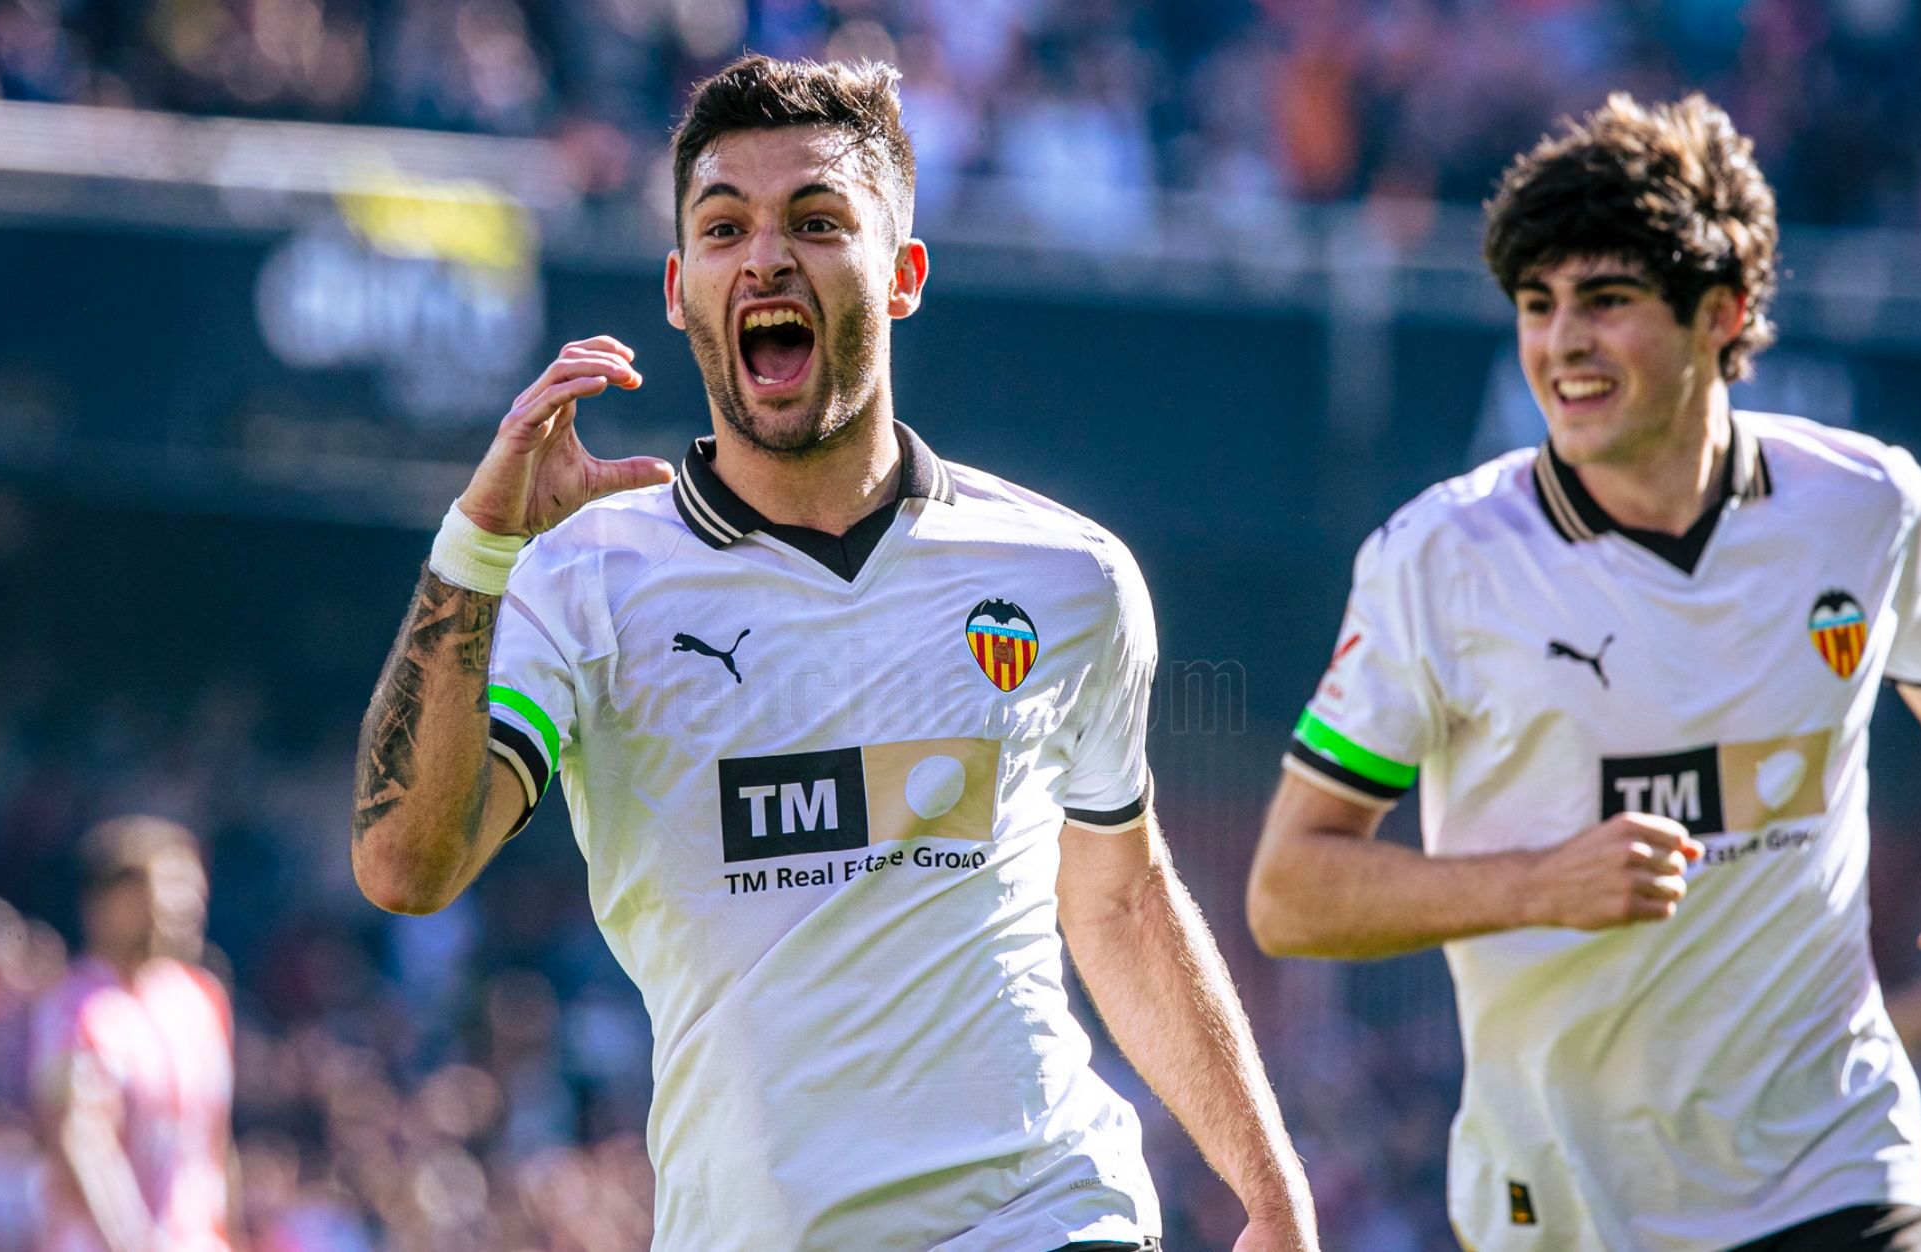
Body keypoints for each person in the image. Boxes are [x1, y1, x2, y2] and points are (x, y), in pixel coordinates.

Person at [349, 54, 1318, 1252]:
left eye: (816, 221)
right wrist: (478, 544)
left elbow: (1119, 897)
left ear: (901, 274)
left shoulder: (1069, 576)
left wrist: (1272, 1192)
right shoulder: (581, 578)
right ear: (679, 286)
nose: (766, 257)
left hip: (1049, 1216)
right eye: (724, 227)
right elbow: (406, 864)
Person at [1246, 93, 1921, 1252]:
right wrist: (1538, 884)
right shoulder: (1438, 559)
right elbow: (1287, 890)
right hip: (1559, 1204)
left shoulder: (1868, 506)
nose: (1563, 343)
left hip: (1833, 1171)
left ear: (1724, 312)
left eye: (1608, 300)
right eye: (1538, 305)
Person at [31, 815, 237, 1252]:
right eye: (167, 889)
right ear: (107, 905)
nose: (184, 906)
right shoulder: (75, 1010)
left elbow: (215, 1142)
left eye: (191, 888)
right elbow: (78, 1140)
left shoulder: (202, 999)